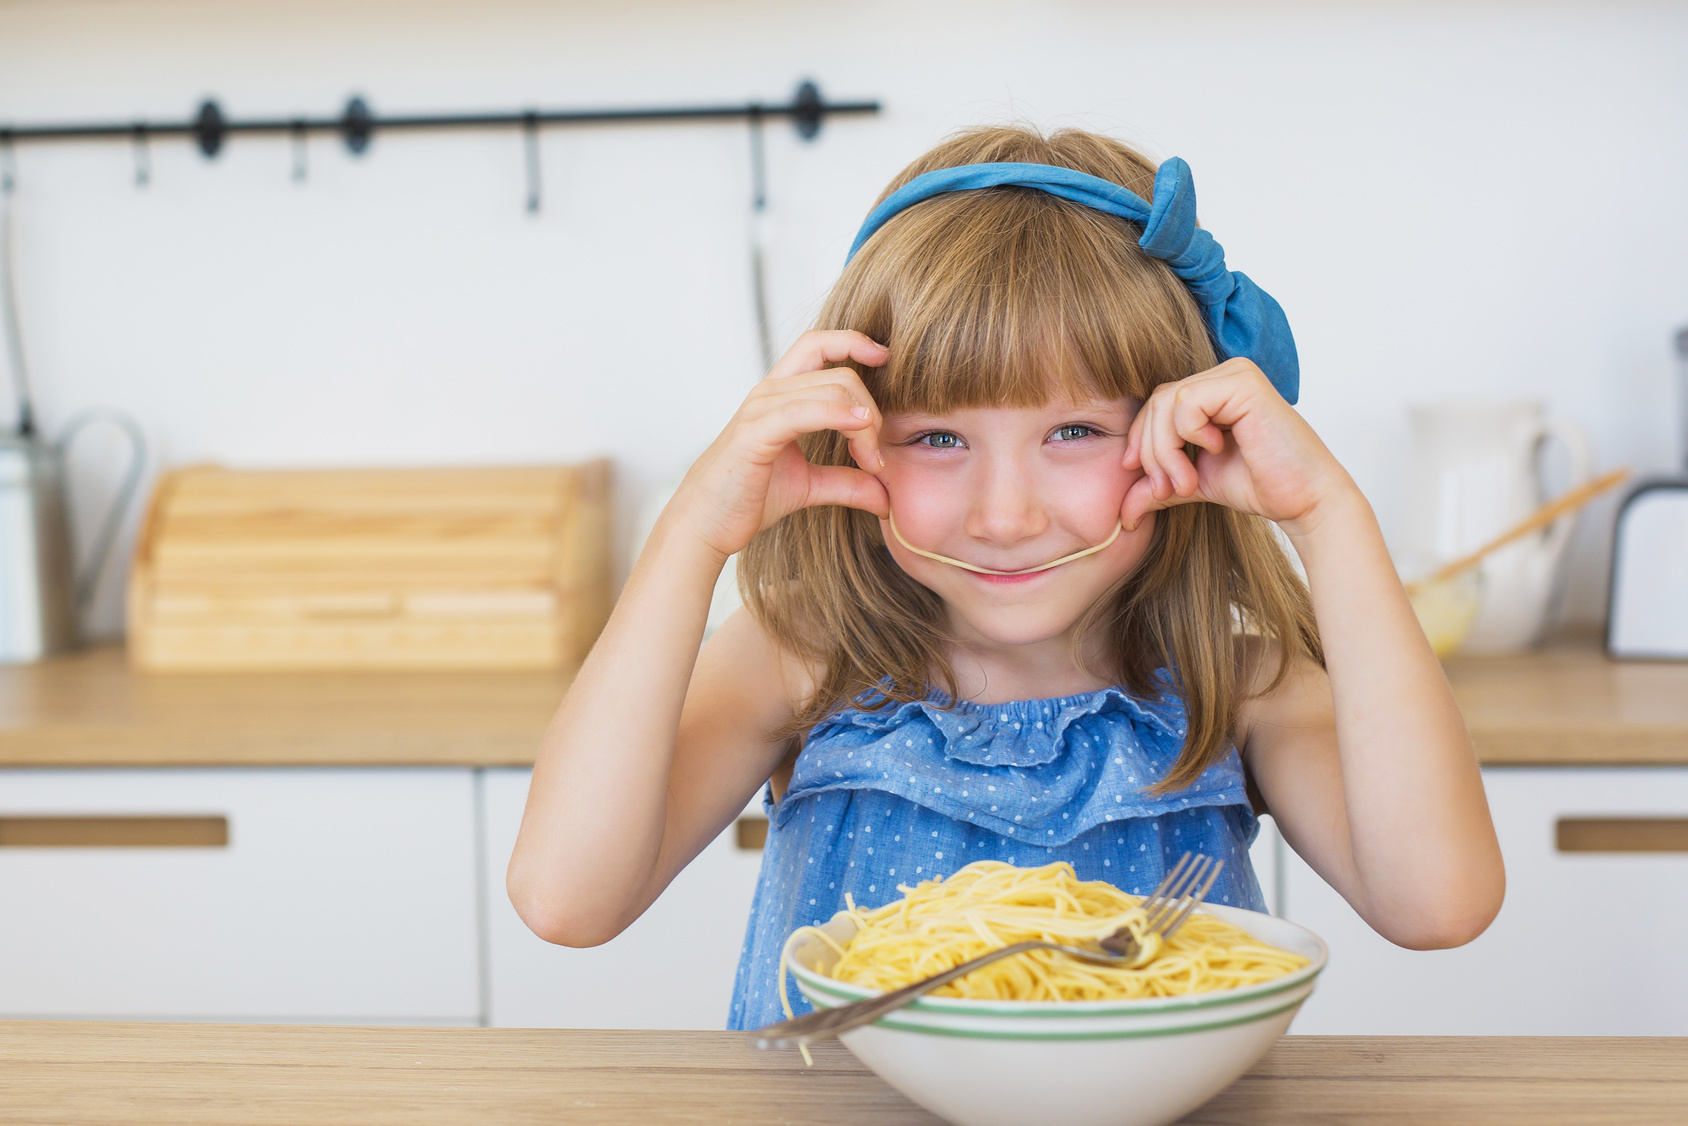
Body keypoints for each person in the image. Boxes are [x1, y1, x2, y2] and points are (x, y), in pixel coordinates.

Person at [507, 125, 1506, 1031]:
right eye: (937, 437)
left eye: (1073, 431)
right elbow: (566, 898)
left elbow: (1437, 903)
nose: (1003, 514)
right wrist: (692, 532)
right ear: (853, 440)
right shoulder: (803, 657)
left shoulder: (1232, 680)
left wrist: (1325, 516)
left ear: (1184, 427)